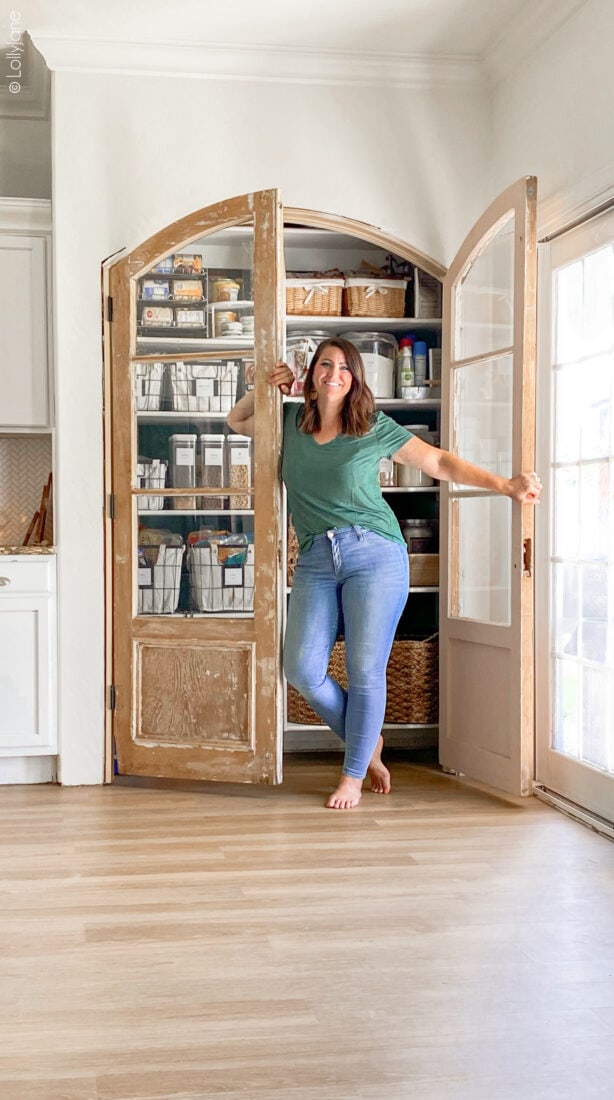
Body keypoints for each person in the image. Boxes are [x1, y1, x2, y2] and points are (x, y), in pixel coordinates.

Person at [227, 338, 542, 810]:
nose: (334, 374)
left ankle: (352, 775)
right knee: (301, 667)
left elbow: (438, 461)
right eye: (325, 365)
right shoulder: (288, 422)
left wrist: (506, 486)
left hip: (373, 551)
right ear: (311, 374)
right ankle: (367, 742)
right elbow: (235, 422)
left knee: (364, 669)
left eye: (345, 368)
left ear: (355, 379)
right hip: (315, 556)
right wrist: (261, 386)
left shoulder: (371, 426)